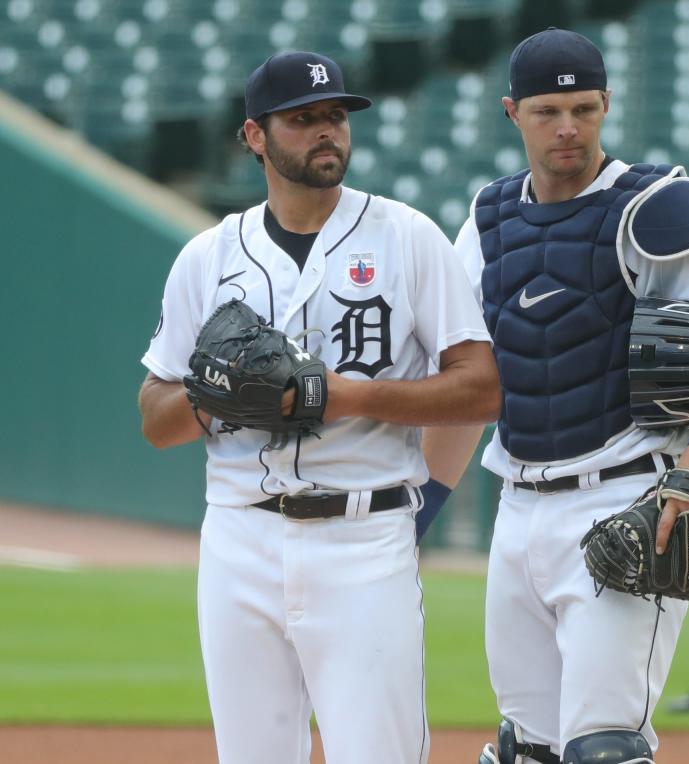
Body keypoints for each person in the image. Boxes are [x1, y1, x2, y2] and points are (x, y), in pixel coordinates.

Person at [446, 28, 689, 763]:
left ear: (607, 104)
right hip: (516, 506)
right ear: (511, 111)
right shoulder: (490, 219)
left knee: (605, 749)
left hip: (625, 502)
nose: (568, 127)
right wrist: (421, 504)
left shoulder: (654, 206)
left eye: (585, 108)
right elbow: (471, 377)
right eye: (549, 110)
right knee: (529, 751)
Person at [137, 50, 500, 764]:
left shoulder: (408, 238)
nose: (327, 131)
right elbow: (154, 417)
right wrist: (222, 397)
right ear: (254, 137)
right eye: (303, 120)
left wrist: (338, 394)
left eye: (335, 115)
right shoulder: (208, 257)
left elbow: (481, 388)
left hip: (362, 539)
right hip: (239, 540)